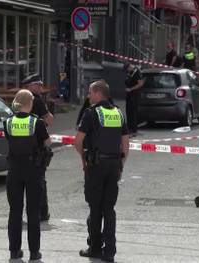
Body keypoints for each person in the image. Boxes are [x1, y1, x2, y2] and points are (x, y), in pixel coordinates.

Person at [74, 80, 129, 263]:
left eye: (90, 92)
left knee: (95, 207)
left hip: (96, 166)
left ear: (98, 93)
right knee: (109, 208)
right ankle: (110, 251)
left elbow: (78, 141)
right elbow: (125, 144)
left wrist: (84, 159)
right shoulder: (118, 113)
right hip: (114, 165)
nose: (88, 96)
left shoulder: (91, 113)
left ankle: (95, 248)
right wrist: (121, 164)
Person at [4, 89, 51, 261]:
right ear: (29, 103)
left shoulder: (7, 122)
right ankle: (34, 252)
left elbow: (10, 141)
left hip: (14, 169)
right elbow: (47, 142)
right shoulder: (37, 122)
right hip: (33, 170)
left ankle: (14, 251)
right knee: (33, 212)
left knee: (15, 211)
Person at [22, 74, 54, 222]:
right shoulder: (37, 100)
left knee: (20, 183)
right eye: (38, 85)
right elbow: (49, 119)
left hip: (20, 149)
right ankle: (41, 213)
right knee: (39, 181)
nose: (41, 87)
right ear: (30, 86)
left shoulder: (19, 99)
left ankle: (19, 215)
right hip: (36, 147)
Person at [124, 62, 144, 137]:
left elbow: (140, 83)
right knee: (128, 111)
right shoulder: (130, 73)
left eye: (127, 70)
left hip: (134, 95)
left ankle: (133, 130)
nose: (127, 71)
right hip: (129, 95)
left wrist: (131, 89)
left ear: (130, 66)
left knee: (133, 112)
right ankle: (129, 129)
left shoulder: (137, 72)